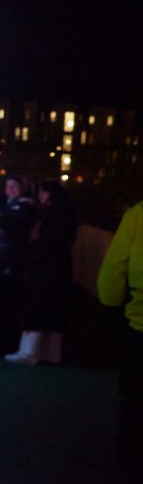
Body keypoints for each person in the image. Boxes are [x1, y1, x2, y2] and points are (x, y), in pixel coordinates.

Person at [5, 179, 78, 364]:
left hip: (45, 268)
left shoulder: (52, 215)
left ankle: (29, 352)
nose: (39, 196)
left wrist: (32, 250)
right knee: (55, 311)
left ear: (49, 194)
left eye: (42, 193)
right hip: (60, 268)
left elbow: (47, 241)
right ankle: (53, 354)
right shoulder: (67, 214)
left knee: (36, 307)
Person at [97, 199, 142, 466]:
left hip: (139, 323)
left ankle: (130, 456)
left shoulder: (138, 215)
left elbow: (114, 269)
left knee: (136, 395)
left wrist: (111, 306)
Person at [0, 174, 37, 355]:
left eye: (14, 186)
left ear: (22, 188)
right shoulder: (5, 205)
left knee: (7, 302)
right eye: (7, 186)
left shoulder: (26, 206)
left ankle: (7, 342)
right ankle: (1, 340)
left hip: (9, 260)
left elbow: (12, 223)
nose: (10, 190)